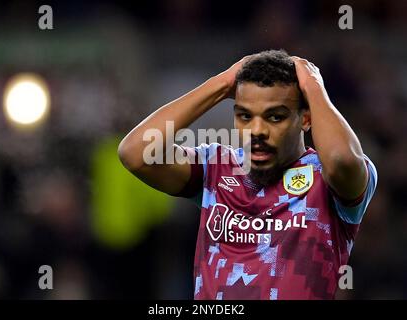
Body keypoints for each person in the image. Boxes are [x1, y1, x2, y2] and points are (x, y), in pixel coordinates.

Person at [118, 50, 377, 300]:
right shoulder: (216, 166)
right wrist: (221, 84)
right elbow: (136, 153)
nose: (257, 130)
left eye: (274, 117)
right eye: (244, 116)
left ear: (305, 119)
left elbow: (340, 159)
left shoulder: (325, 179)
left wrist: (313, 87)